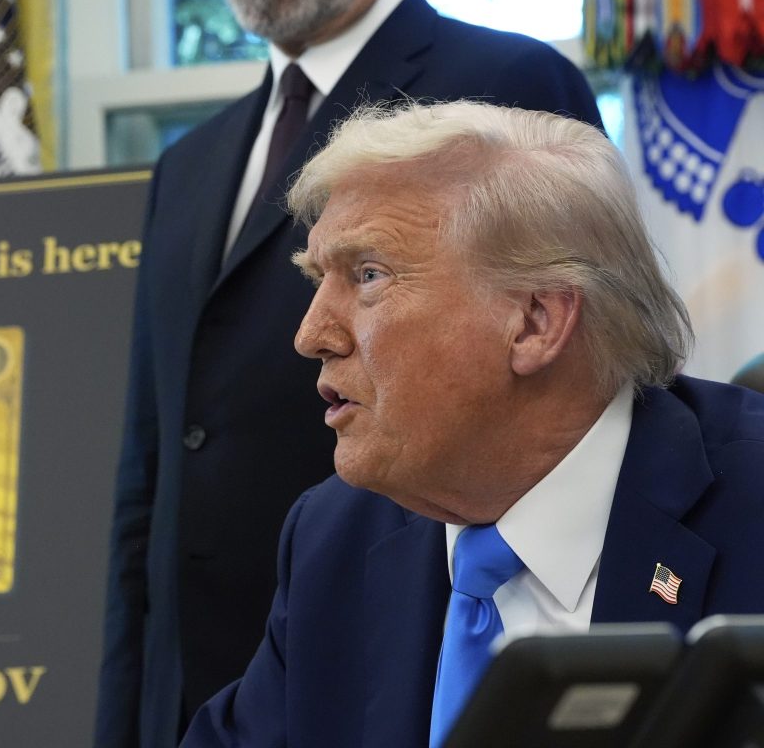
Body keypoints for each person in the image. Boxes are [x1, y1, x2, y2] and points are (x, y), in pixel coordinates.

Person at [95, 0, 604, 744]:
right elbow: (150, 479)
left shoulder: (505, 92)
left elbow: (588, 403)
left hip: (399, 673)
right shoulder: (188, 167)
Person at [181, 101, 764, 747]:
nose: (311, 334)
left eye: (369, 275)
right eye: (320, 280)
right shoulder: (335, 538)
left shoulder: (750, 499)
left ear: (537, 321)